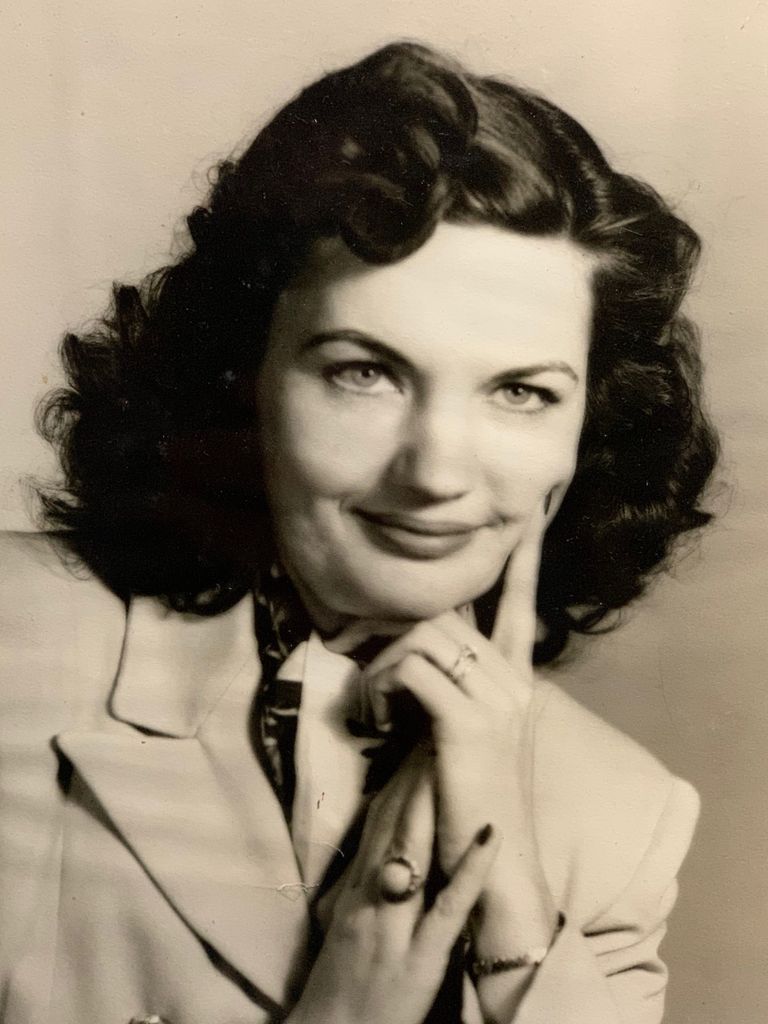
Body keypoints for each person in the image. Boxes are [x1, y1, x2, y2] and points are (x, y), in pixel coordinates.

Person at [0, 40, 718, 1024]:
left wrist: (510, 898)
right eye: (364, 372)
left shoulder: (623, 816)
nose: (436, 473)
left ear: (591, 428)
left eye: (522, 392)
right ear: (242, 376)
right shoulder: (18, 645)